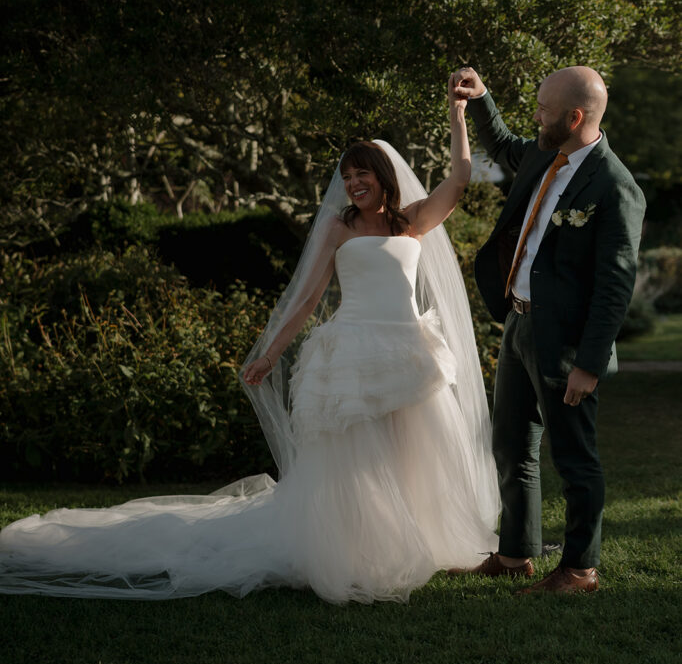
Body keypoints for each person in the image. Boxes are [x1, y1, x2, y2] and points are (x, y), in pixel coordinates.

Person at [0, 80, 499, 604]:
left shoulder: (411, 222)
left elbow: (460, 178)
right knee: (353, 465)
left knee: (412, 459)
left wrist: (457, 113)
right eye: (347, 176)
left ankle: (416, 539)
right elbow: (306, 300)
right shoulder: (339, 227)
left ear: (383, 176)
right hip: (353, 353)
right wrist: (270, 354)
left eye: (362, 174)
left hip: (407, 354)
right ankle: (358, 550)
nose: (353, 183)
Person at [450, 65, 646, 594]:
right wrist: (481, 97)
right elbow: (503, 144)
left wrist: (588, 364)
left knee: (575, 458)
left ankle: (580, 569)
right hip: (519, 322)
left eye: (544, 110)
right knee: (512, 447)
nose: (536, 117)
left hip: (565, 345)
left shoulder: (615, 187)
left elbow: (614, 287)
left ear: (575, 117)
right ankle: (515, 555)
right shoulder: (544, 153)